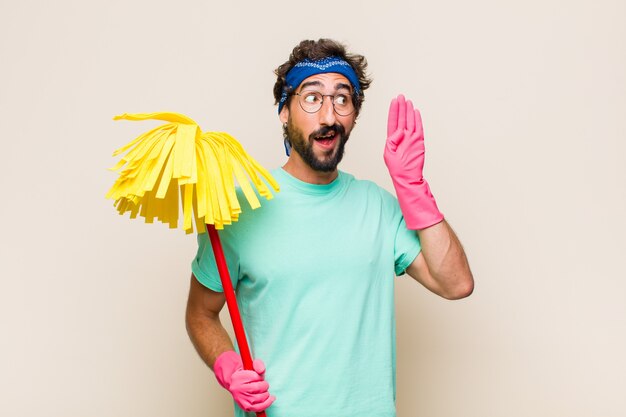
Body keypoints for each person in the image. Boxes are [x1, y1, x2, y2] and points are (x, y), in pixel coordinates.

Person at [185, 38, 474, 417]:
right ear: (284, 112)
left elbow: (456, 284)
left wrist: (414, 190)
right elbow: (200, 313)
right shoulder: (241, 209)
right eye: (312, 97)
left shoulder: (379, 207)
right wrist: (228, 366)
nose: (329, 116)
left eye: (342, 99)